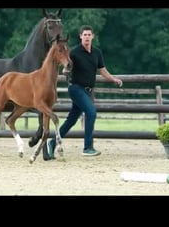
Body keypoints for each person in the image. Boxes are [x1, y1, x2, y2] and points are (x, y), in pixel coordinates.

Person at [43, 25, 123, 160]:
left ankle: (52, 142)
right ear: (80, 36)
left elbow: (102, 70)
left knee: (71, 120)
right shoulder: (74, 52)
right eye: (84, 35)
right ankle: (87, 147)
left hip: (87, 91)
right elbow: (66, 64)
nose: (86, 37)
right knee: (91, 112)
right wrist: (65, 70)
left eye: (89, 34)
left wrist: (114, 79)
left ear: (93, 36)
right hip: (75, 88)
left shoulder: (97, 53)